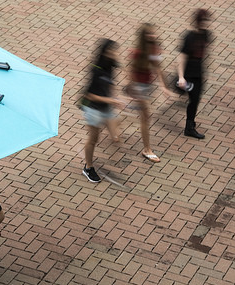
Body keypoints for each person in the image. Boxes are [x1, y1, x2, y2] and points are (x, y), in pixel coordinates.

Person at [80, 39, 126, 183]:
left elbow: (110, 85)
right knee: (94, 139)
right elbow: (89, 95)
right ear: (105, 52)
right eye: (112, 51)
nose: (115, 53)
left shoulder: (111, 66)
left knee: (116, 137)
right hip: (93, 108)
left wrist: (114, 97)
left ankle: (111, 129)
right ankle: (88, 167)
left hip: (106, 107)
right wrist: (111, 101)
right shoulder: (95, 70)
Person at [128, 23, 174, 163]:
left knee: (138, 113)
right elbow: (130, 73)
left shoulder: (154, 48)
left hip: (148, 87)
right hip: (138, 88)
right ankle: (147, 149)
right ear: (143, 37)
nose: (153, 36)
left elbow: (158, 68)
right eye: (149, 34)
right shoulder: (137, 53)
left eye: (153, 33)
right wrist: (137, 94)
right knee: (145, 118)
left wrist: (163, 86)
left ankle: (114, 120)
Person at [177, 9, 211, 139]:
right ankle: (189, 127)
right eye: (202, 21)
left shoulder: (207, 34)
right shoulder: (189, 37)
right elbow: (182, 57)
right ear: (197, 21)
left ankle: (189, 126)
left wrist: (206, 69)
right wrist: (181, 76)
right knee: (192, 98)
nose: (205, 23)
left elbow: (206, 52)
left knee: (195, 99)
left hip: (199, 71)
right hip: (188, 72)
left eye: (206, 20)